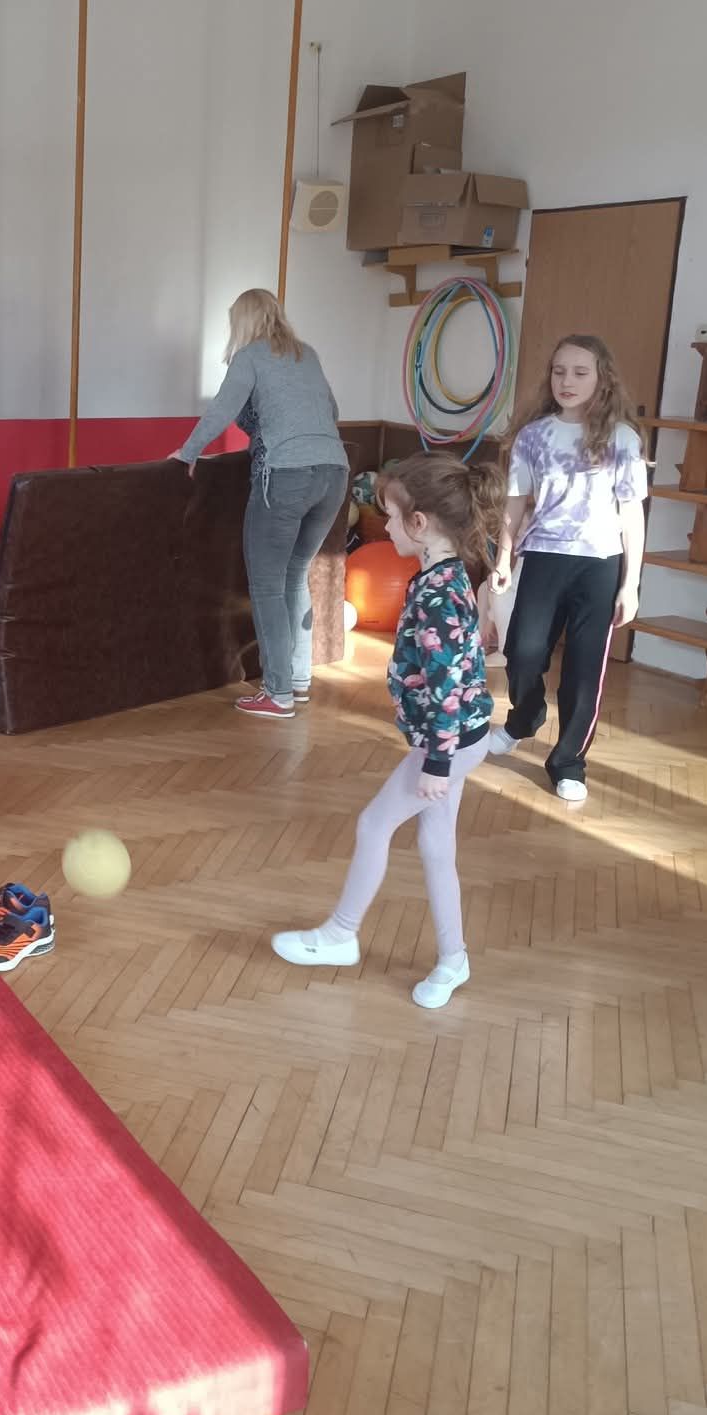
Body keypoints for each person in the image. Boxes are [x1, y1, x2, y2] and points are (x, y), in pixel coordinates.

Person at [271, 451, 502, 1010]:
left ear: (419, 524)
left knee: (374, 825)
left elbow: (448, 688)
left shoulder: (439, 594)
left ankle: (340, 933)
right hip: (459, 738)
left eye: (393, 517)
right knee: (435, 846)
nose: (387, 526)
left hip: (447, 743)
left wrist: (438, 765)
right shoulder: (441, 576)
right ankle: (453, 958)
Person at [172, 288, 350, 718]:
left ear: (243, 322)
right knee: (295, 574)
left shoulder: (249, 356)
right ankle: (298, 680)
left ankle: (277, 692)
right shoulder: (306, 354)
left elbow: (222, 408)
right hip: (335, 472)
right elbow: (331, 411)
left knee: (268, 585)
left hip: (286, 475)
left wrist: (187, 454)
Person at [488, 334, 648, 804]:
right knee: (523, 652)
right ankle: (524, 717)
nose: (567, 381)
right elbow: (515, 503)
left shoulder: (623, 439)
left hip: (599, 565)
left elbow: (632, 516)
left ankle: (569, 762)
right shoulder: (533, 436)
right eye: (559, 371)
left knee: (584, 669)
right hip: (543, 557)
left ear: (602, 379)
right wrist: (502, 557)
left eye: (580, 372)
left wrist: (630, 584)